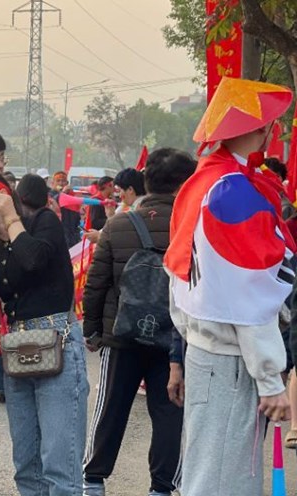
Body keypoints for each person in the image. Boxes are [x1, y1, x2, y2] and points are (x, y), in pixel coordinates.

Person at [164, 77, 295, 496]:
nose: (272, 132)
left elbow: (180, 275)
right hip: (234, 356)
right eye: (269, 124)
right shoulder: (233, 190)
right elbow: (248, 295)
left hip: (207, 347)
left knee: (213, 470)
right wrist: (271, 378)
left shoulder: (204, 181)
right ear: (256, 130)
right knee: (225, 478)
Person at [81, 148, 197, 496]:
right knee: (168, 412)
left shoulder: (118, 224)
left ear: (146, 181)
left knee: (111, 407)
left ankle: (94, 480)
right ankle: (161, 487)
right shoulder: (192, 226)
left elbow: (96, 282)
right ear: (186, 183)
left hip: (122, 335)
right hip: (174, 339)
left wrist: (92, 331)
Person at [0, 171, 88, 495]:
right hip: (17, 349)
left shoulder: (42, 221)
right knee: (26, 463)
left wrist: (10, 218)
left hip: (55, 339)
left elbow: (33, 260)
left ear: (4, 197)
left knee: (59, 463)